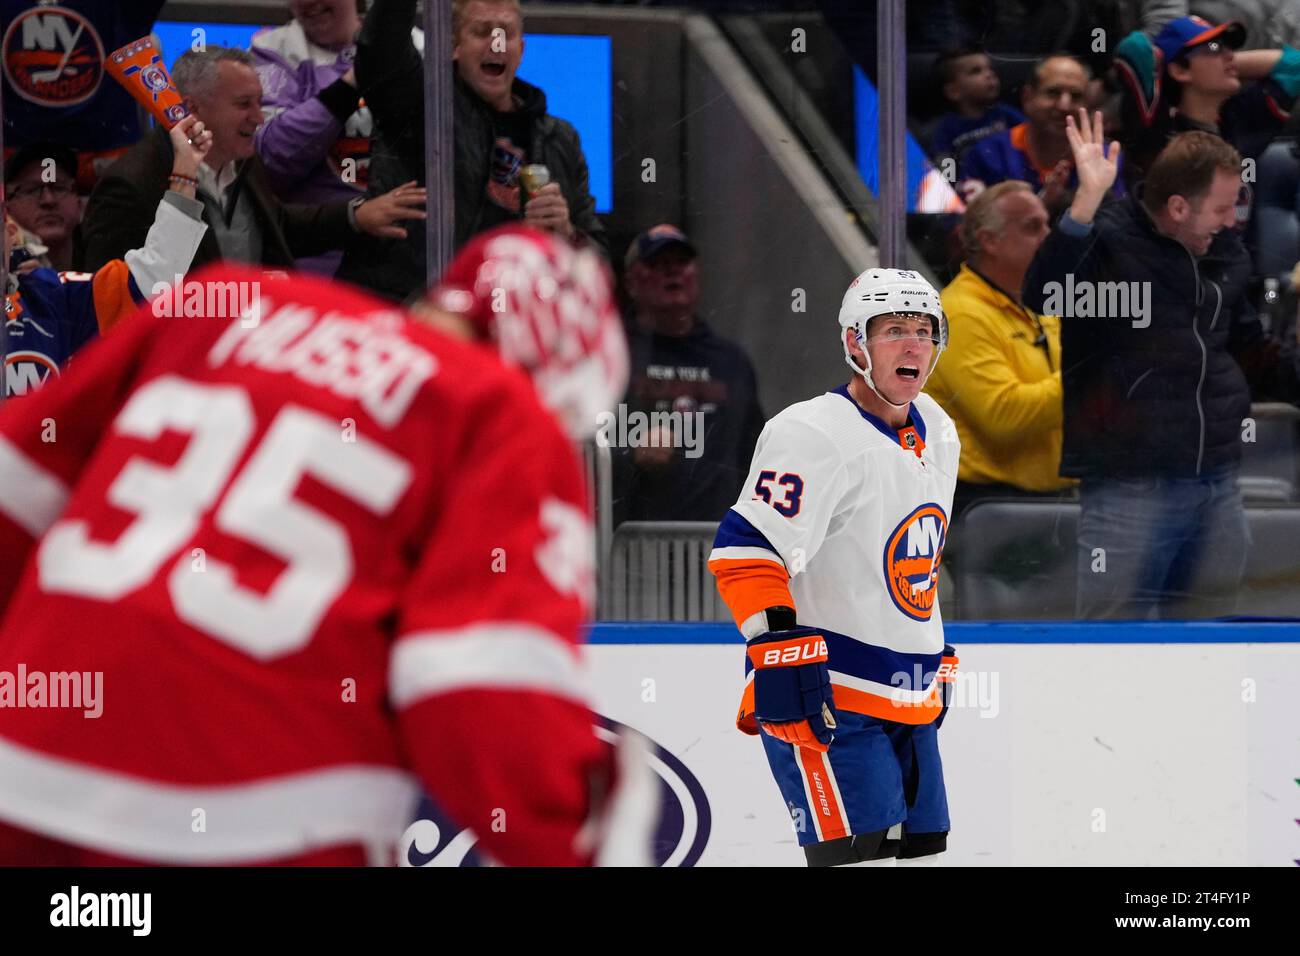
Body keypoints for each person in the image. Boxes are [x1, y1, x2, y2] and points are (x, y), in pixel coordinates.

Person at [0, 237, 647, 865]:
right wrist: (577, 836)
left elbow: (17, 491)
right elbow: (476, 685)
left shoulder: (227, 300)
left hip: (22, 764)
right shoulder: (498, 415)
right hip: (267, 815)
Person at [707, 268, 960, 867]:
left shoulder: (941, 432)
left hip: (907, 690)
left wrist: (932, 647)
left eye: (925, 330)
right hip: (830, 693)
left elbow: (913, 557)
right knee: (857, 854)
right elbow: (747, 550)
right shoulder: (812, 434)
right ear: (854, 344)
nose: (914, 345)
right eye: (894, 330)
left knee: (921, 850)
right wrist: (775, 653)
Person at [1022, 113, 1300, 619]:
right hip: (1130, 485)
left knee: (1210, 643)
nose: (1230, 220)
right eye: (1220, 208)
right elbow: (1043, 294)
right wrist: (1082, 205)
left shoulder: (1223, 251)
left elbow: (1251, 347)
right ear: (1177, 207)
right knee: (1112, 642)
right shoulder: (1107, 242)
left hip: (1216, 482)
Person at [335, 0, 606, 301]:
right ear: (453, 47)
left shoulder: (560, 139)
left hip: (502, 323)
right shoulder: (422, 104)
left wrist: (567, 233)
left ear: (522, 50)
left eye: (506, 33)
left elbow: (600, 269)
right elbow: (379, 53)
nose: (497, 43)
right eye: (481, 32)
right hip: (412, 312)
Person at [80, 46, 425, 273]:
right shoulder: (129, 185)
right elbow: (112, 302)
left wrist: (355, 216)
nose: (260, 118)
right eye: (244, 104)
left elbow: (276, 226)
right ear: (192, 109)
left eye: (260, 103)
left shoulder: (242, 158)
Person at [3, 115, 212, 397]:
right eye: (31, 190)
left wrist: (184, 172)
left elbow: (155, 276)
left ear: (9, 232)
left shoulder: (53, 297)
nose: (48, 199)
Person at [926, 181, 1075, 520]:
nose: (1048, 236)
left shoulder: (1039, 302)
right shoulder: (960, 315)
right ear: (988, 241)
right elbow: (1005, 418)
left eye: (1047, 224)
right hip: (988, 510)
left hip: (1050, 502)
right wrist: (1087, 373)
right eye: (1032, 227)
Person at [612, 225, 764, 525]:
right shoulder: (611, 356)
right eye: (657, 264)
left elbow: (756, 455)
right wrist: (630, 455)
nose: (672, 272)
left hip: (713, 547)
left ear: (697, 275)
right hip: (631, 548)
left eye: (681, 262)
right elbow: (581, 451)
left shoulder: (730, 362)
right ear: (630, 282)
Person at [1113, 15, 1300, 196]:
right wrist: (1169, 65)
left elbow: (1295, 66)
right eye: (1214, 47)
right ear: (1179, 70)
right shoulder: (1157, 126)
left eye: (1228, 47)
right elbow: (1134, 47)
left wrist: (1227, 65)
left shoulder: (1240, 117)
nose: (1230, 55)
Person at [252, 0, 373, 274]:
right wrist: (349, 85)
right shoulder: (273, 49)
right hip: (311, 265)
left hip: (402, 261)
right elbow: (268, 161)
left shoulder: (416, 46)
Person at [962, 54, 1122, 215]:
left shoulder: (1106, 160)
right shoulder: (987, 155)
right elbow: (971, 230)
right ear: (1027, 97)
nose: (1064, 105)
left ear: (1086, 104)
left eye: (1076, 96)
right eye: (1053, 93)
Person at [929, 45, 1025, 171]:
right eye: (976, 71)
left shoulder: (1006, 115)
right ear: (954, 91)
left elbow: (1031, 143)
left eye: (990, 69)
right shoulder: (945, 131)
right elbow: (946, 173)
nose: (989, 74)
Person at [3, 143, 84, 272]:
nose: (48, 200)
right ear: (7, 209)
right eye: (31, 190)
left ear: (79, 203)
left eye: (59, 188)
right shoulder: (5, 282)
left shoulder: (110, 268)